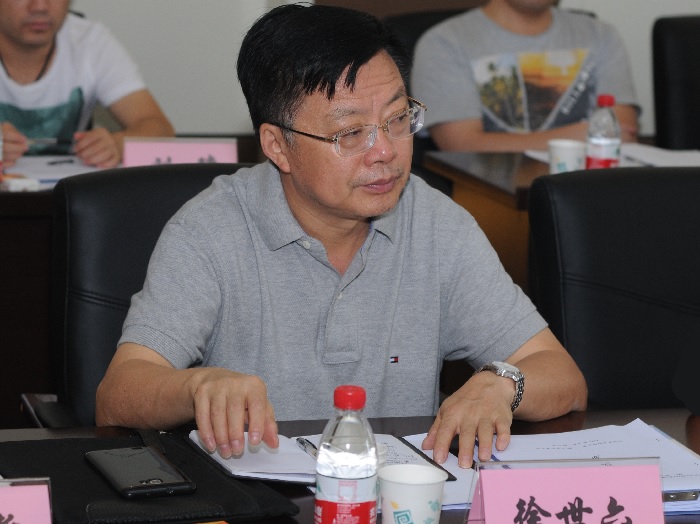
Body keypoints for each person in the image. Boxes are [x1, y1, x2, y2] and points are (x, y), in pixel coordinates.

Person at [95, 4, 587, 468]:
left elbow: (561, 375)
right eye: (350, 134)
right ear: (277, 146)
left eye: (398, 119)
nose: (385, 151)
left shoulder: (436, 223)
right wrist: (196, 387)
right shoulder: (210, 229)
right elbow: (118, 394)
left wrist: (505, 385)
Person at [411, 0, 639, 152]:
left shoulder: (601, 35)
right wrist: (580, 136)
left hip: (587, 189)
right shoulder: (444, 43)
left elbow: (623, 131)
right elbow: (462, 145)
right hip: (487, 199)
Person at [0, 0, 174, 168]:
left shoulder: (89, 41)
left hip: (65, 186)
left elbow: (161, 129)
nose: (40, 6)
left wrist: (117, 144)